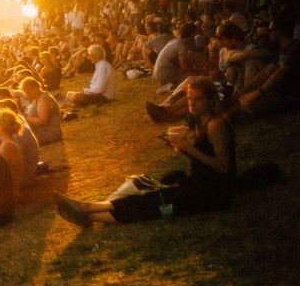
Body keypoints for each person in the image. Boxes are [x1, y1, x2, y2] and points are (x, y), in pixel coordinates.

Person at [56, 77, 235, 226]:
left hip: (213, 193)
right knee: (150, 197)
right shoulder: (199, 121)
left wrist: (189, 148)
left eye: (198, 99)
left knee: (152, 206)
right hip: (198, 184)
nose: (192, 104)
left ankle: (86, 213)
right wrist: (183, 149)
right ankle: (87, 208)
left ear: (210, 100)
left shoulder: (215, 124)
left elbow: (223, 167)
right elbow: (202, 159)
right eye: (189, 99)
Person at [19, 76, 63, 144]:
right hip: (43, 131)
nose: (27, 95)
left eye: (28, 92)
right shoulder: (38, 97)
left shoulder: (44, 99)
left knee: (19, 140)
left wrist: (24, 117)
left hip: (48, 133)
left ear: (35, 88)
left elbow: (42, 121)